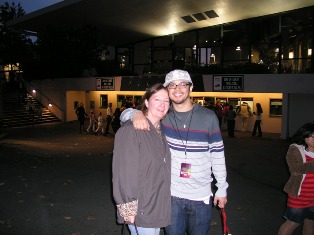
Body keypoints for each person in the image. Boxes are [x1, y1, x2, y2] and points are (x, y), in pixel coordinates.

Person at [120, 69, 228, 235]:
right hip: (171, 196)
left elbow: (217, 155)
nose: (177, 89)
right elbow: (125, 115)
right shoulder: (164, 115)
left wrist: (221, 188)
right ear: (167, 91)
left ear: (191, 88)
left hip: (201, 197)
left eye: (182, 84)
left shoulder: (208, 117)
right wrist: (136, 113)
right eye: (172, 85)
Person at [112, 84, 171, 235]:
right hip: (141, 209)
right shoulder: (132, 130)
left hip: (156, 205)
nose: (162, 104)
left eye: (166, 100)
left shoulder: (160, 133)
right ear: (146, 102)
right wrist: (127, 207)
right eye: (157, 99)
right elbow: (123, 173)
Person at [278, 122, 314, 235]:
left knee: (310, 222)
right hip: (299, 195)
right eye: (311, 136)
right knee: (292, 223)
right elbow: (295, 169)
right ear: (304, 136)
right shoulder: (295, 150)